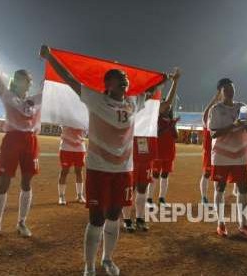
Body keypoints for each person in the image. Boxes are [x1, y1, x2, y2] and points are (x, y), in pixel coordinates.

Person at [40, 44, 168, 276]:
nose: (125, 80)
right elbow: (69, 78)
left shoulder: (132, 103)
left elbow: (149, 91)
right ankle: (89, 265)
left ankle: (107, 259)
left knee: (114, 216)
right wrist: (50, 57)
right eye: (119, 78)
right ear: (107, 84)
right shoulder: (94, 99)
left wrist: (163, 80)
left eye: (126, 78)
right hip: (99, 169)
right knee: (96, 218)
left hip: (123, 170)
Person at [0, 32, 42, 239]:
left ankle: (22, 222)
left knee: (26, 183)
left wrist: (52, 60)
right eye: (15, 79)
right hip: (12, 140)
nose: (16, 82)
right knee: (3, 183)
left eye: (21, 80)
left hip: (30, 141)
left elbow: (54, 84)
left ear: (28, 84)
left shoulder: (37, 99)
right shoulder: (7, 96)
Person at [123, 68, 180, 233]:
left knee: (142, 187)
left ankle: (140, 218)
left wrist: (174, 81)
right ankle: (127, 219)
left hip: (146, 150)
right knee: (130, 187)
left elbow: (168, 102)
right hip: (131, 149)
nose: (151, 91)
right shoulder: (129, 103)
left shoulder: (153, 108)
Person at [208, 78, 247, 239]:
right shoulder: (216, 109)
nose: (230, 91)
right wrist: (234, 125)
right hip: (221, 154)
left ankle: (243, 224)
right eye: (227, 88)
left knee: (243, 188)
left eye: (232, 88)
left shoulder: (242, 107)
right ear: (220, 91)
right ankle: (220, 223)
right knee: (220, 188)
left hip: (240, 154)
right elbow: (214, 133)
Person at [148, 83, 181, 208]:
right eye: (166, 107)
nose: (168, 109)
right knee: (155, 175)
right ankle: (149, 199)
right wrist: (169, 125)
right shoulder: (156, 119)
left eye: (169, 108)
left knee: (165, 175)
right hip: (158, 151)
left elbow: (176, 136)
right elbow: (157, 133)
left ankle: (162, 198)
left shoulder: (171, 121)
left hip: (169, 151)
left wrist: (173, 126)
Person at [199, 90, 221, 204]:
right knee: (207, 174)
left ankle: (217, 198)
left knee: (218, 176)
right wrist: (215, 98)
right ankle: (203, 197)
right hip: (209, 152)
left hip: (219, 152)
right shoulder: (206, 122)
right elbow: (206, 112)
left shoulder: (220, 123)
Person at [57, 126, 87, 205]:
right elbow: (62, 125)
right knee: (64, 171)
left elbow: (86, 130)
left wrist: (79, 139)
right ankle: (61, 196)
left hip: (80, 148)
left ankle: (80, 195)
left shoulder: (84, 116)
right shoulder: (66, 115)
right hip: (66, 147)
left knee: (79, 171)